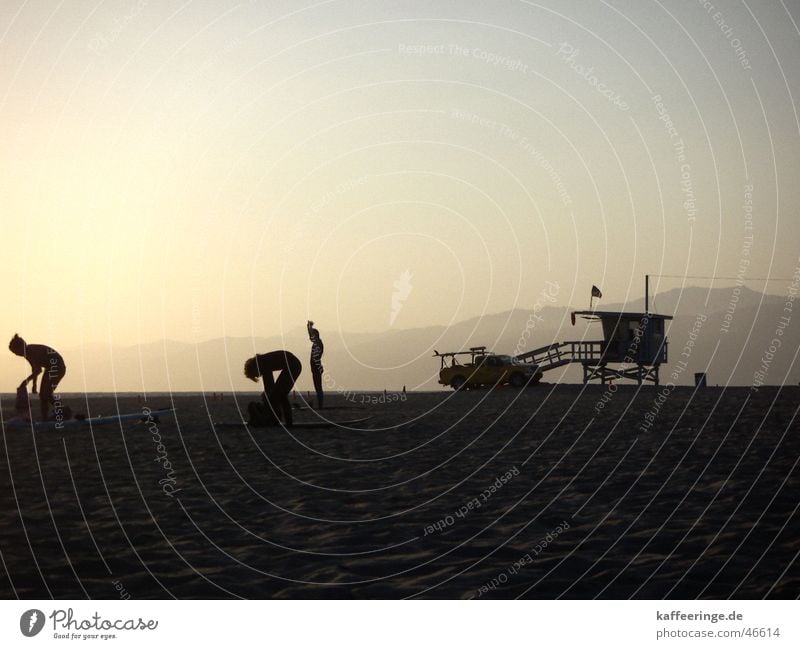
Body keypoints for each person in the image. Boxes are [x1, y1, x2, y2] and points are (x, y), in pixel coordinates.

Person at [8, 334, 66, 421]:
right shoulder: (27, 352)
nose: (16, 355)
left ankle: (63, 410)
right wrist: (34, 384)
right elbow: (35, 368)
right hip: (50, 368)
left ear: (20, 348)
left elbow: (38, 370)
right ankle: (45, 418)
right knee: (43, 395)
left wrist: (26, 381)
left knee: (46, 394)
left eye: (16, 352)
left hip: (57, 367)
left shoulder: (31, 351)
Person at [243, 350, 302, 426]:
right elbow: (270, 387)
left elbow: (269, 387)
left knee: (281, 395)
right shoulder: (261, 362)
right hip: (293, 364)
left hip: (293, 365)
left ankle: (287, 422)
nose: (257, 376)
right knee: (279, 395)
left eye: (255, 375)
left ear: (253, 368)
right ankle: (285, 421)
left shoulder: (262, 364)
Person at [307, 320, 324, 409]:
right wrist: (309, 327)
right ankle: (320, 404)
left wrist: (310, 328)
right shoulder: (316, 343)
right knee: (317, 386)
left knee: (318, 386)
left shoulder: (318, 343)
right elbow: (311, 336)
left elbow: (317, 357)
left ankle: (320, 405)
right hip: (315, 368)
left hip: (316, 368)